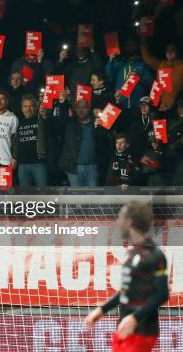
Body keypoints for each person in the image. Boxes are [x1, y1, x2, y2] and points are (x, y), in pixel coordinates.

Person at [85, 201, 169, 352]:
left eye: (120, 218)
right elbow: (126, 291)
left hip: (143, 330)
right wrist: (102, 309)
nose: (118, 222)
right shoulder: (131, 254)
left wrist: (134, 318)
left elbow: (162, 294)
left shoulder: (154, 255)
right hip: (124, 328)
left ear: (129, 222)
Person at [55, 98, 107, 187]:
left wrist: (100, 125)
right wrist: (62, 103)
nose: (81, 110)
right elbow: (60, 121)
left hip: (93, 168)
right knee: (77, 198)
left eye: (84, 107)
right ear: (75, 109)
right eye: (78, 107)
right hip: (73, 168)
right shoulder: (69, 123)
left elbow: (104, 144)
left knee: (93, 198)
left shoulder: (97, 124)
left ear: (89, 108)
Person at [11, 95, 48, 187]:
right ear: (22, 108)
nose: (28, 109)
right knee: (25, 194)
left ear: (35, 107)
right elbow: (15, 142)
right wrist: (14, 157)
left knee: (43, 193)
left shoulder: (40, 120)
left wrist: (44, 115)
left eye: (31, 106)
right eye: (25, 106)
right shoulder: (17, 122)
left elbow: (49, 125)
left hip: (38, 163)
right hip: (22, 164)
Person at [140, 40, 182, 111]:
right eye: (167, 50)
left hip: (175, 106)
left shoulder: (181, 66)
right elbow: (148, 58)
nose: (169, 52)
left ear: (178, 52)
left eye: (172, 50)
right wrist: (143, 41)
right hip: (158, 106)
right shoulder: (161, 64)